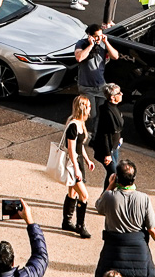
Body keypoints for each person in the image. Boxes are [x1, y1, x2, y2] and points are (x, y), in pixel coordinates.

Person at [94, 163, 155, 277]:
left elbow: (99, 206)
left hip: (114, 251)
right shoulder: (143, 198)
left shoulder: (109, 197)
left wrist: (110, 185)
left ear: (117, 178)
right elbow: (153, 229)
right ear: (134, 179)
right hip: (138, 252)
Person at [57, 95, 94, 239]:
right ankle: (80, 225)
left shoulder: (80, 124)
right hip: (73, 165)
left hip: (77, 163)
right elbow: (71, 150)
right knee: (84, 195)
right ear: (83, 108)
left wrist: (87, 160)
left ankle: (66, 221)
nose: (90, 108)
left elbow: (80, 146)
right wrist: (77, 169)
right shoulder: (73, 125)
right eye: (89, 106)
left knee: (72, 193)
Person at [91, 82, 125, 189]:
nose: (122, 94)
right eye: (119, 93)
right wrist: (107, 154)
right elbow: (104, 134)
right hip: (107, 149)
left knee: (112, 173)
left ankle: (105, 196)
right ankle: (104, 198)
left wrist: (118, 138)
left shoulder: (112, 108)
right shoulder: (107, 112)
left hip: (114, 147)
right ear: (112, 97)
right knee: (113, 173)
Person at [73, 23, 119, 102]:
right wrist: (90, 45)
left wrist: (106, 43)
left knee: (103, 109)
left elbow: (115, 56)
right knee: (92, 113)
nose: (99, 39)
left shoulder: (103, 44)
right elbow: (79, 58)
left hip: (101, 85)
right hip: (86, 87)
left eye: (100, 36)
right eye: (96, 36)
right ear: (90, 36)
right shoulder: (82, 44)